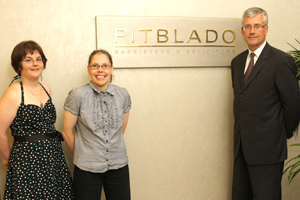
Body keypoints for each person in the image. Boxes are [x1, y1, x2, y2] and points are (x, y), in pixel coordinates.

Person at [231, 7, 300, 200]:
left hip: (269, 151)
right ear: (243, 31)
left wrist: (278, 134)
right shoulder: (236, 63)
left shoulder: (281, 61)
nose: (252, 31)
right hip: (242, 149)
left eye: (257, 26)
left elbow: (293, 105)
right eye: (248, 26)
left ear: (266, 29)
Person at [0, 40, 74, 199]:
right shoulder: (12, 93)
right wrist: (10, 159)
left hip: (53, 158)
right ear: (19, 65)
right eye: (28, 59)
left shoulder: (46, 88)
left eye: (38, 59)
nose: (35, 63)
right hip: (26, 162)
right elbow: (0, 133)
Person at [63, 49, 131, 200]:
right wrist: (84, 154)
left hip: (118, 165)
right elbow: (67, 132)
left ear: (111, 68)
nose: (100, 70)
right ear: (88, 69)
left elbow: (121, 129)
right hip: (86, 168)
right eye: (95, 66)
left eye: (105, 66)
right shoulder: (78, 94)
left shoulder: (123, 94)